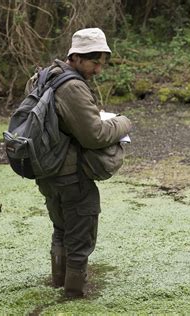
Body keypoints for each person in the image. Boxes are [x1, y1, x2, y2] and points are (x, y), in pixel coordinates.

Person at [25, 28, 133, 298]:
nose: (98, 70)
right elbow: (95, 135)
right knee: (81, 238)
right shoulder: (72, 87)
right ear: (75, 57)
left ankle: (58, 285)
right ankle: (73, 296)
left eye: (101, 63)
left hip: (46, 171)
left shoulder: (42, 77)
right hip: (71, 175)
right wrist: (123, 122)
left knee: (61, 229)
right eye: (94, 62)